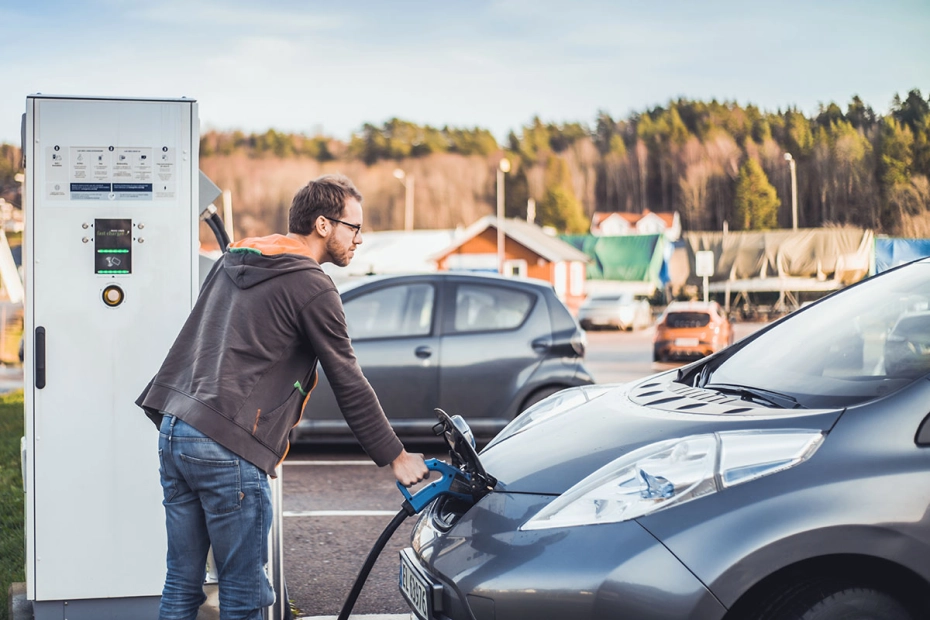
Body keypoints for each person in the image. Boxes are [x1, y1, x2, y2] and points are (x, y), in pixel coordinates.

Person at [136, 173, 430, 620]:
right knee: (244, 596)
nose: (360, 240)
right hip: (225, 445)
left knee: (181, 582)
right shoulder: (311, 284)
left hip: (176, 430)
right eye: (354, 228)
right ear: (324, 225)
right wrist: (396, 455)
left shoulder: (235, 260)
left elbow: (199, 339)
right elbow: (348, 379)